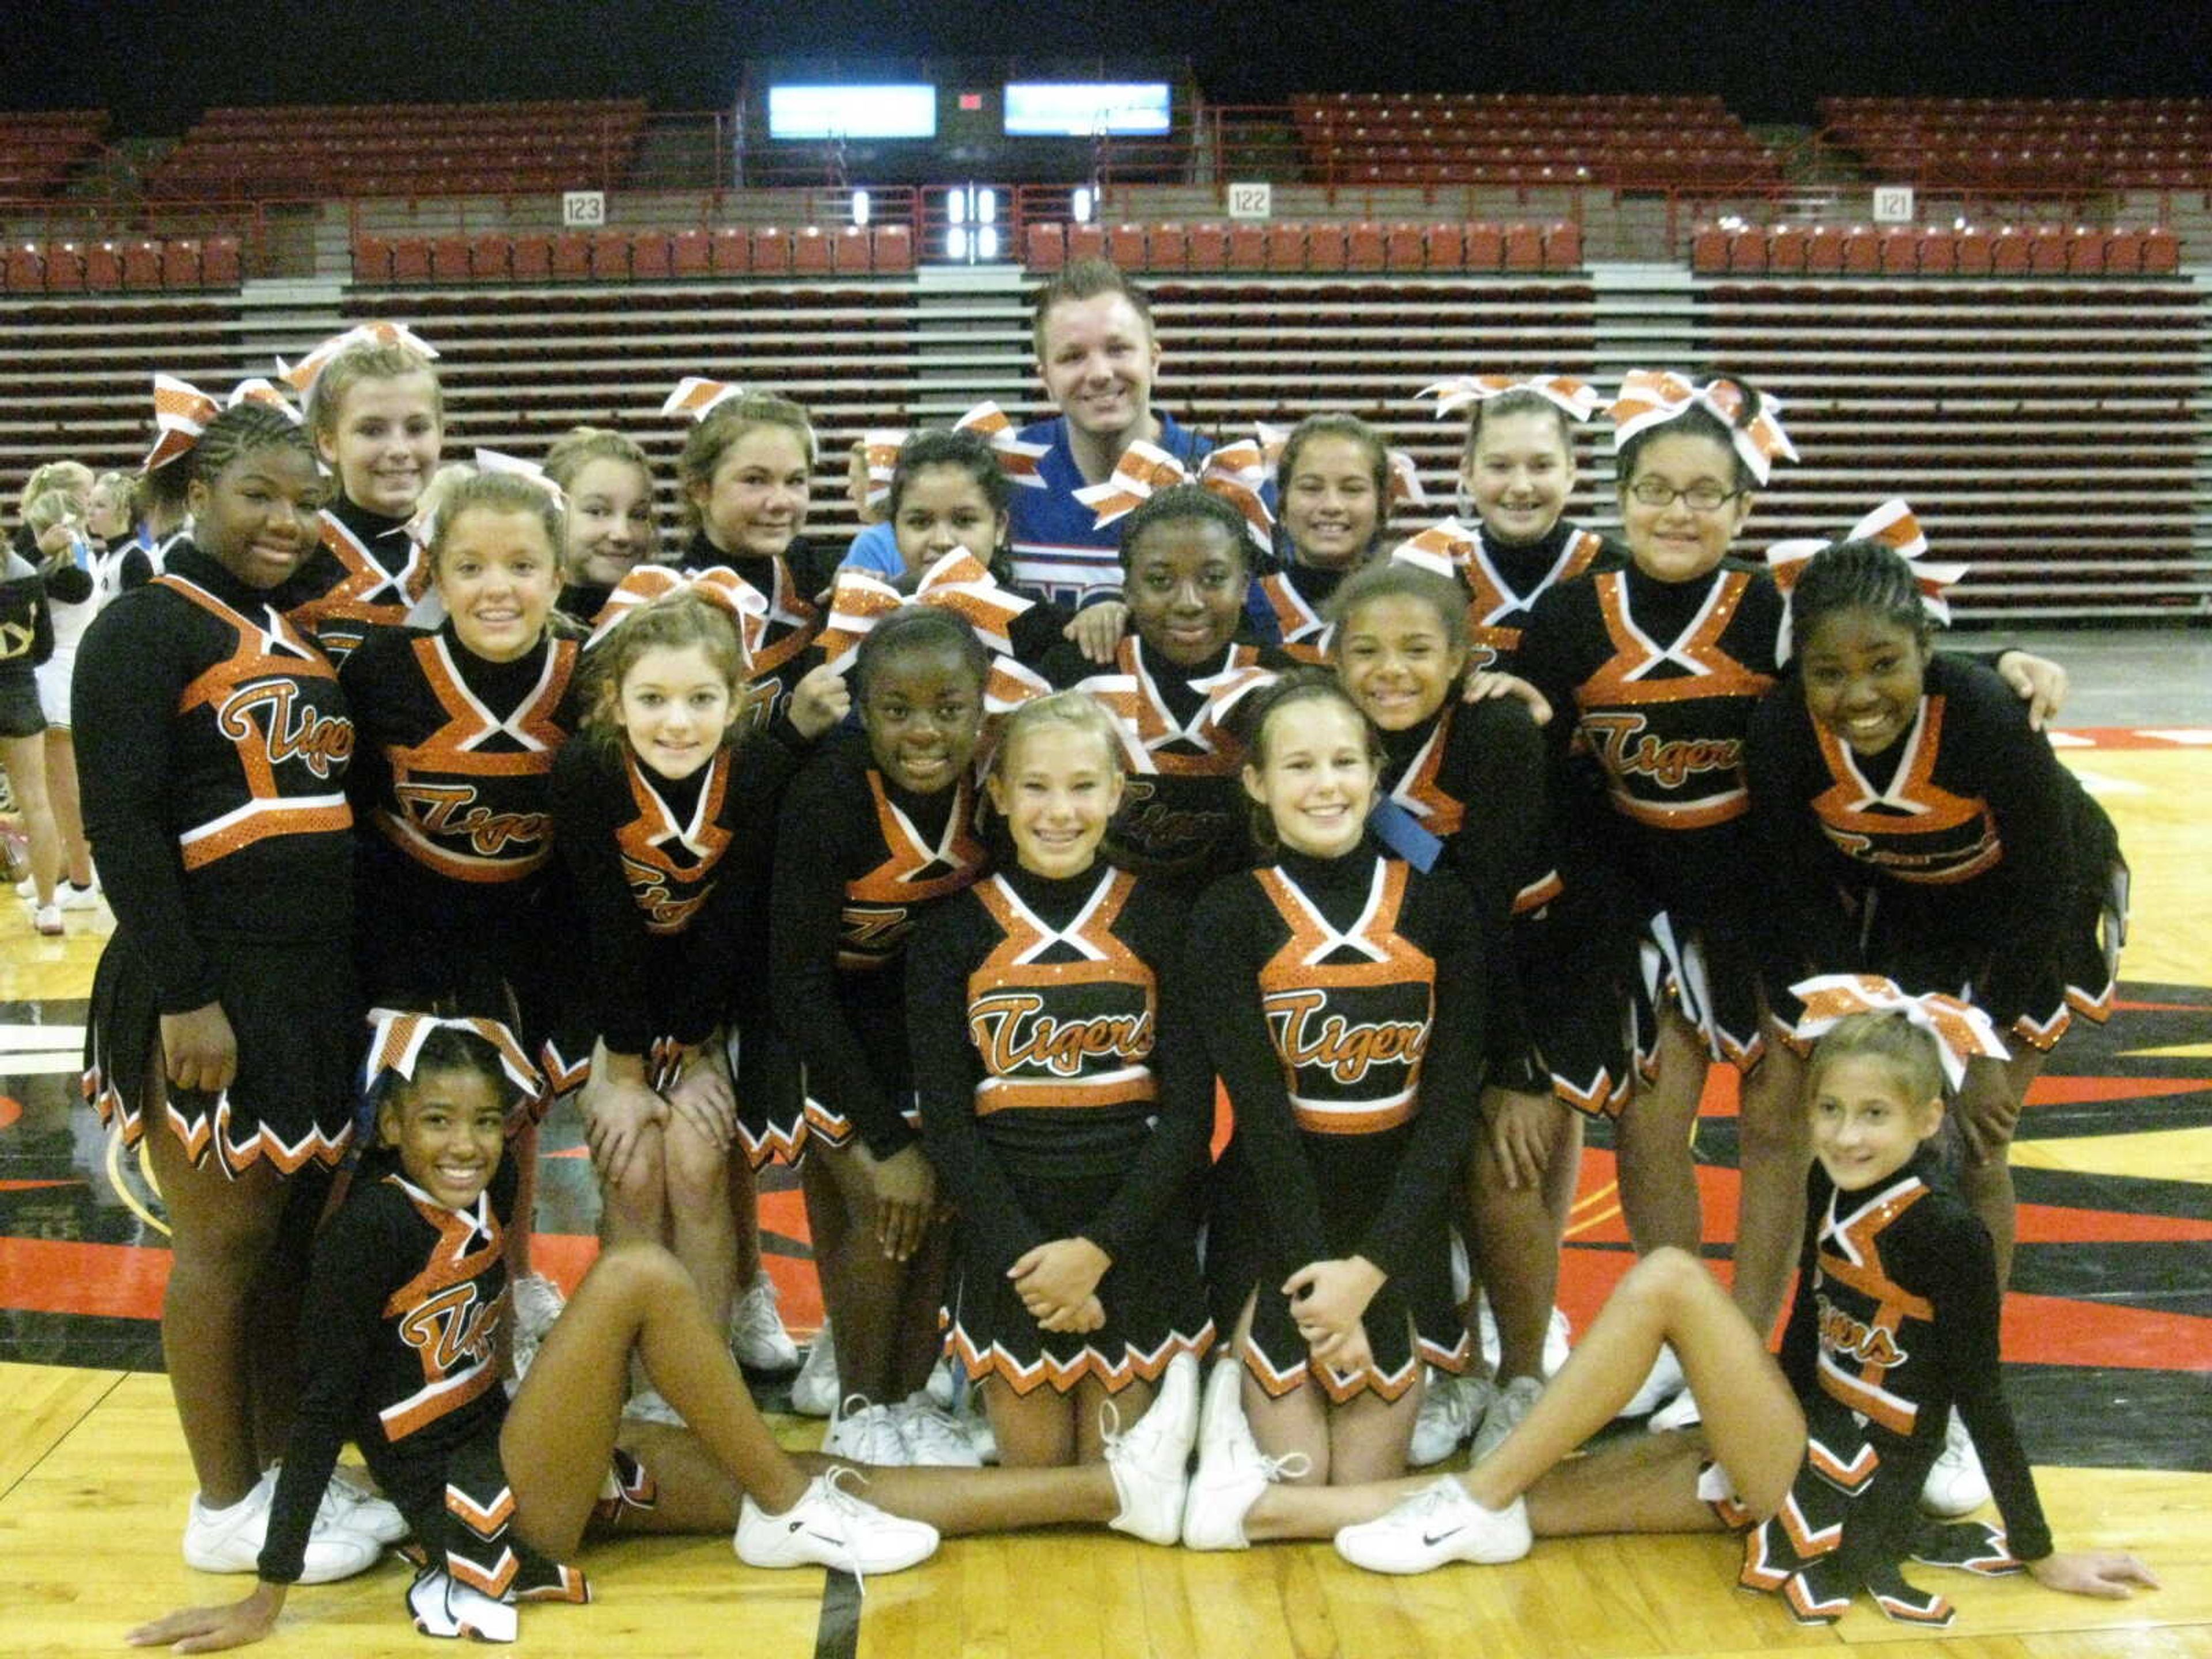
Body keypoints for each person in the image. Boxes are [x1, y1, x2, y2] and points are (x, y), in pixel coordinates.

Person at [125, 1013, 1208, 1650]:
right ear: (392, 1126)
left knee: (813, 1466)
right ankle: (785, 1512)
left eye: (486, 1125)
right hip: (477, 1508)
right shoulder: (366, 1228)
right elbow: (321, 1409)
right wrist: (267, 1589)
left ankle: (1111, 1493)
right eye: (437, 1124)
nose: (466, 1145)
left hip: (527, 1455)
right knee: (637, 1272)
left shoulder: (474, 1201)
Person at [1331, 984, 2158, 1628]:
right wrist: (1732, 1418)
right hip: (1785, 1448)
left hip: (1850, 1489)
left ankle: (1470, 1504)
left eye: (1875, 1115)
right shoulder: (1830, 1186)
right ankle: (1279, 1514)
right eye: (1829, 1110)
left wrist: (2041, 1553)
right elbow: (1806, 1341)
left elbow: (1982, 1399)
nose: (1845, 1136)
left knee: (1669, 1278)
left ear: (1930, 1118)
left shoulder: (1950, 1235)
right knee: (1533, 1502)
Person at [75, 398, 391, 1578]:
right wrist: (181, 992)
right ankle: (221, 1506)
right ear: (198, 491)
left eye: (307, 500)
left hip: (306, 983)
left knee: (286, 1248)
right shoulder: (144, 627)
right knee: (221, 1242)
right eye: (259, 494)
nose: (287, 520)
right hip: (208, 979)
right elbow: (120, 823)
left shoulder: (293, 627)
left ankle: (275, 1478)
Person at [1748, 526, 2126, 1508]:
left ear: (1926, 649)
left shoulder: (1990, 712)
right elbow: (1790, 889)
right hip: (1910, 910)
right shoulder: (1785, 727)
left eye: (1884, 663)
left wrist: (1985, 1043)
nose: (1858, 692)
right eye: (1829, 671)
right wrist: (1843, 1029)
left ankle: (1957, 1390)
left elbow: (2043, 883)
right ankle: (1848, 1361)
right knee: (1865, 1138)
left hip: (2033, 921)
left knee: (1973, 1145)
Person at [1176, 672, 1485, 1547]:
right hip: (1276, 1219)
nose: (1326, 784)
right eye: (1300, 764)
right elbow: (1261, 1118)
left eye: (1346, 761)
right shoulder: (1229, 913)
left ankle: (1240, 1496)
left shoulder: (1440, 904)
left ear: (1376, 773)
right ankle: (1231, 1424)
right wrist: (1321, 1284)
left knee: (1356, 1482)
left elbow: (1451, 1107)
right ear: (1257, 784)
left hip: (1397, 1229)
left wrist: (1371, 1269)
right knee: (1311, 1472)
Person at [554, 584, 843, 1413]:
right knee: (634, 1164)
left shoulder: (752, 771)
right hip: (609, 1004)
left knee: (694, 1159)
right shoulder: (587, 769)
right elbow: (603, 922)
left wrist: (700, 1044)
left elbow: (734, 917)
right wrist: (624, 1067)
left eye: (700, 700)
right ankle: (637, 1370)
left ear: (738, 702)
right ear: (614, 701)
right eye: (652, 699)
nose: (676, 722)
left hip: (711, 1006)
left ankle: (701, 1372)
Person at [910, 691, 1215, 1466]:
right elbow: (948, 1124)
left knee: (1117, 1479)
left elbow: (1187, 1118)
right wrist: (1034, 1263)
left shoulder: (1166, 921)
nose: (1060, 810)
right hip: (1015, 1239)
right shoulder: (950, 932)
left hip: (1134, 1235)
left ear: (1117, 792)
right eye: (1037, 787)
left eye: (1083, 786)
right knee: (1040, 1477)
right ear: (1000, 795)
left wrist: (1099, 1251)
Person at [338, 463, 588, 1367]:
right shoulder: (381, 670)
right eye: (473, 568)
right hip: (403, 925)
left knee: (508, 1123)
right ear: (434, 577)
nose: (498, 589)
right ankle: (398, 1309)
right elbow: (354, 812)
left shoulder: (586, 670)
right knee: (410, 1125)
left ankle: (509, 1291)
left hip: (529, 929)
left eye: (523, 567)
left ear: (557, 577)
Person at [1326, 562, 1560, 1463]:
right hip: (1398, 975)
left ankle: (1525, 1377)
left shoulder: (1498, 726)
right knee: (1399, 1159)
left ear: (1465, 659)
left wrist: (1509, 1066)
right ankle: (1449, 1363)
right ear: (1332, 658)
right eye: (1368, 651)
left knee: (1498, 1164)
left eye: (1419, 651)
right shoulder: (1321, 729)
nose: (1392, 670)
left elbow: (1482, 909)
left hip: (1521, 966)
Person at [772, 606, 996, 1464]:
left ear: (983, 708)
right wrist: (887, 1136)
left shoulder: (992, 786)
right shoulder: (831, 794)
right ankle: (861, 1407)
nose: (926, 732)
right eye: (896, 710)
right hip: (813, 1020)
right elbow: (794, 983)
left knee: (935, 1201)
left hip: (922, 1023)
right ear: (862, 709)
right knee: (883, 1201)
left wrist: (930, 1128)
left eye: (949, 707)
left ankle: (909, 1400)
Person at [1036, 485, 1293, 888]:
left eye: (1213, 579)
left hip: (1238, 913)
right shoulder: (1075, 672)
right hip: (1099, 912)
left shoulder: (1280, 686)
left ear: (1244, 586)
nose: (1188, 601)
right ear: (1129, 589)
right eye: (1160, 580)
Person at [1009, 259, 1204, 628]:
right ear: (1046, 378)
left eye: (1117, 349)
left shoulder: (1222, 479)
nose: (1099, 373)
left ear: (1155, 361)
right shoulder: (1004, 475)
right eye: (1073, 357)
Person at [278, 323, 444, 665]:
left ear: (441, 433)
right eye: (372, 430)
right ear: (328, 441)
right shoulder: (290, 548)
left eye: (417, 428)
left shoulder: (460, 545)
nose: (399, 449)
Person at [1254, 414, 1403, 662]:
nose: (1331, 505)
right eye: (1311, 488)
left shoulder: (1412, 601)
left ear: (1383, 505)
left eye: (1352, 489)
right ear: (1282, 505)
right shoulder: (1245, 606)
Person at [541, 425, 657, 629]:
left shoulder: (666, 627)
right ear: (553, 512)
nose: (622, 534)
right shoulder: (521, 629)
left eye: (638, 515)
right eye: (597, 512)